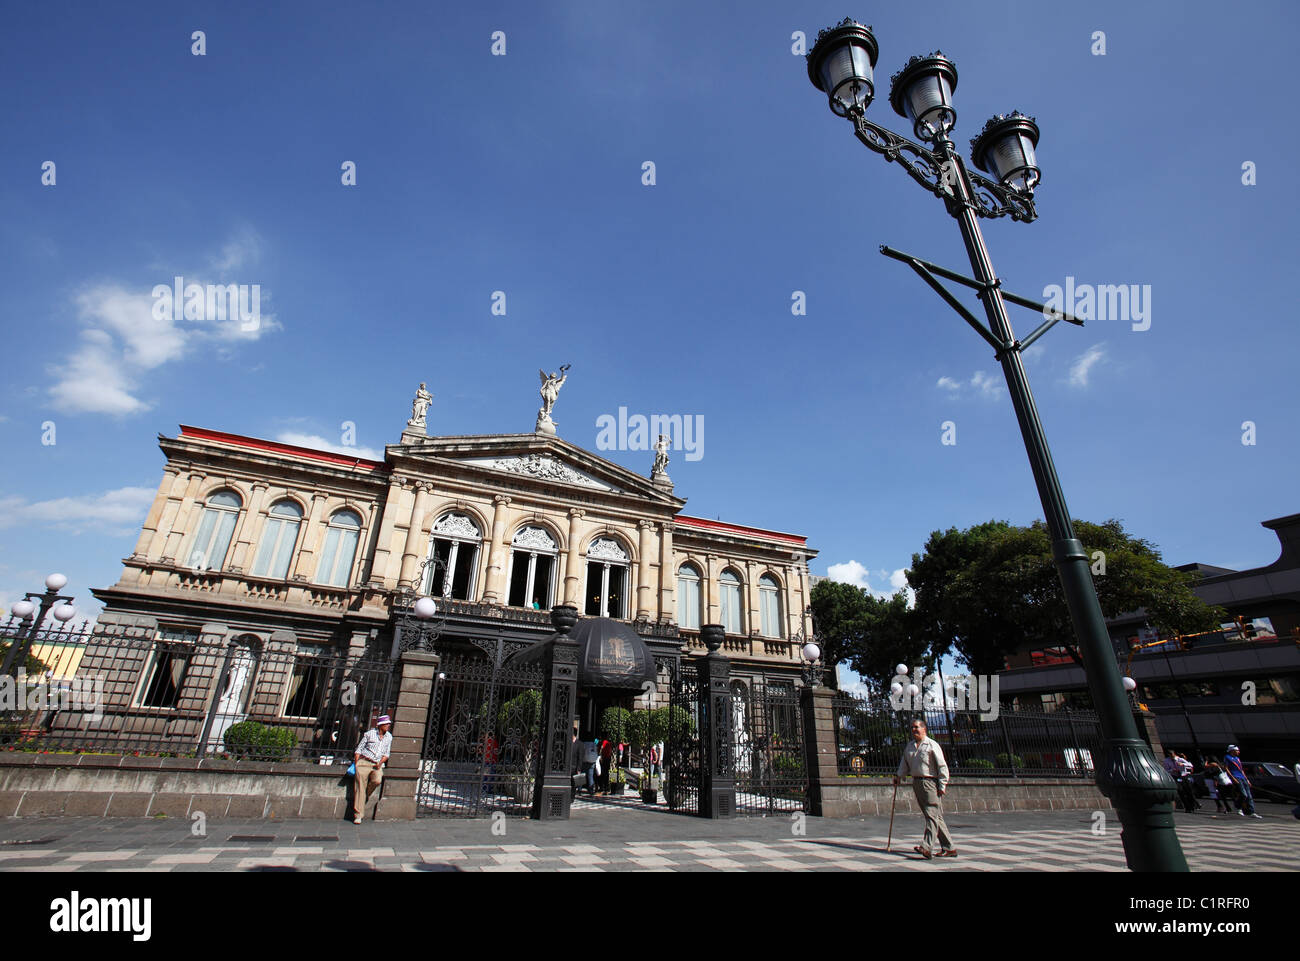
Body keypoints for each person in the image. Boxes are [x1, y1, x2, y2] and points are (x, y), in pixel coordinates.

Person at [894, 718, 955, 859]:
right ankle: (949, 847)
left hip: (930, 783)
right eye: (912, 727)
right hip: (917, 783)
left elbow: (942, 766)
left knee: (931, 816)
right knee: (935, 816)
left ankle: (926, 847)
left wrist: (942, 785)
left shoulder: (932, 745)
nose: (914, 730)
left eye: (917, 727)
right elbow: (904, 765)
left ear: (924, 729)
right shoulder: (910, 746)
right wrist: (898, 777)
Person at [352, 714, 392, 824]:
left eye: (389, 724)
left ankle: (364, 796)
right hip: (364, 762)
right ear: (380, 725)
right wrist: (357, 764)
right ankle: (358, 815)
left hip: (376, 765)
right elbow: (358, 750)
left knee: (377, 780)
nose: (388, 725)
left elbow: (387, 753)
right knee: (360, 788)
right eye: (386, 724)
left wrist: (380, 763)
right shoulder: (369, 734)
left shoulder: (389, 737)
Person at [1223, 744, 1263, 819]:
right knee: (1243, 794)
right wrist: (1233, 778)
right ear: (1232, 751)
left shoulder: (1237, 758)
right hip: (1236, 777)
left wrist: (1247, 779)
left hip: (1242, 777)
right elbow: (1226, 768)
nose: (1238, 752)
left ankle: (1252, 812)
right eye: (1237, 750)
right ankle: (1238, 807)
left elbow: (1241, 770)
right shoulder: (1227, 757)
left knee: (1249, 796)